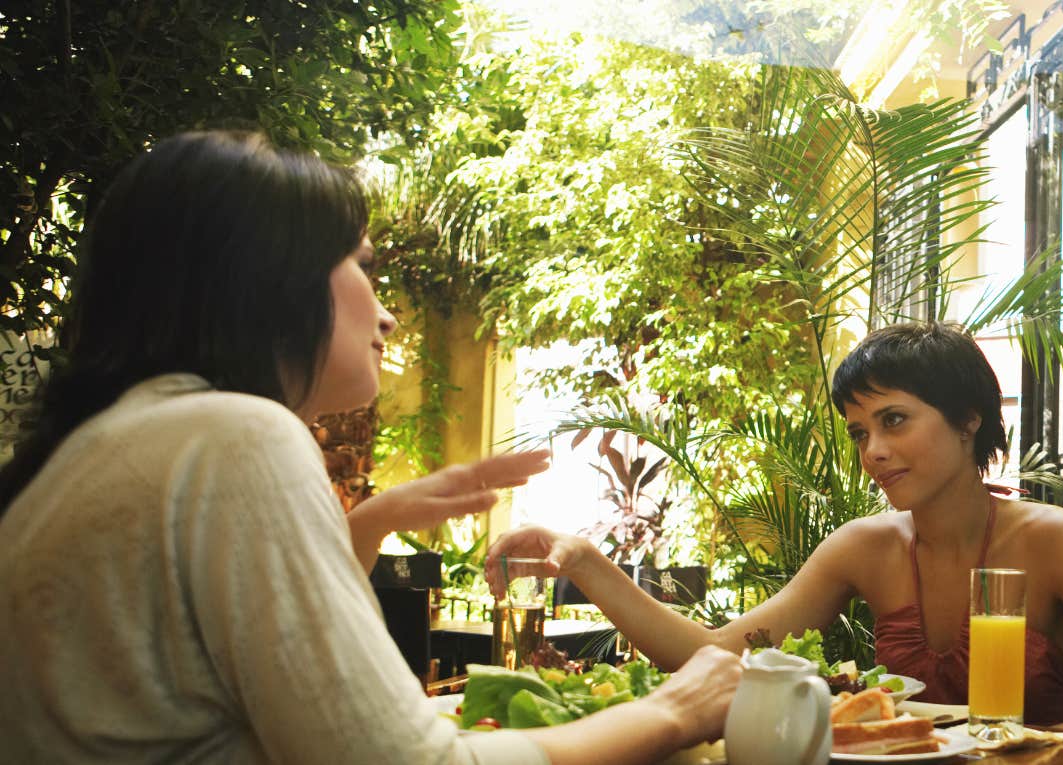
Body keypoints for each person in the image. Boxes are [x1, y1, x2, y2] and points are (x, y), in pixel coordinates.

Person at [0, 130, 741, 765]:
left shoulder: (114, 438)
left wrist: (369, 521)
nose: (385, 313)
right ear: (269, 284)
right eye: (362, 265)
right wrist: (673, 709)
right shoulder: (235, 435)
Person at [489, 322, 1063, 759]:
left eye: (896, 419)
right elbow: (715, 656)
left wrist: (1010, 747)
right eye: (860, 432)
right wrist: (584, 560)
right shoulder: (864, 546)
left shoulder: (1055, 539)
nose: (874, 450)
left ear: (970, 419)